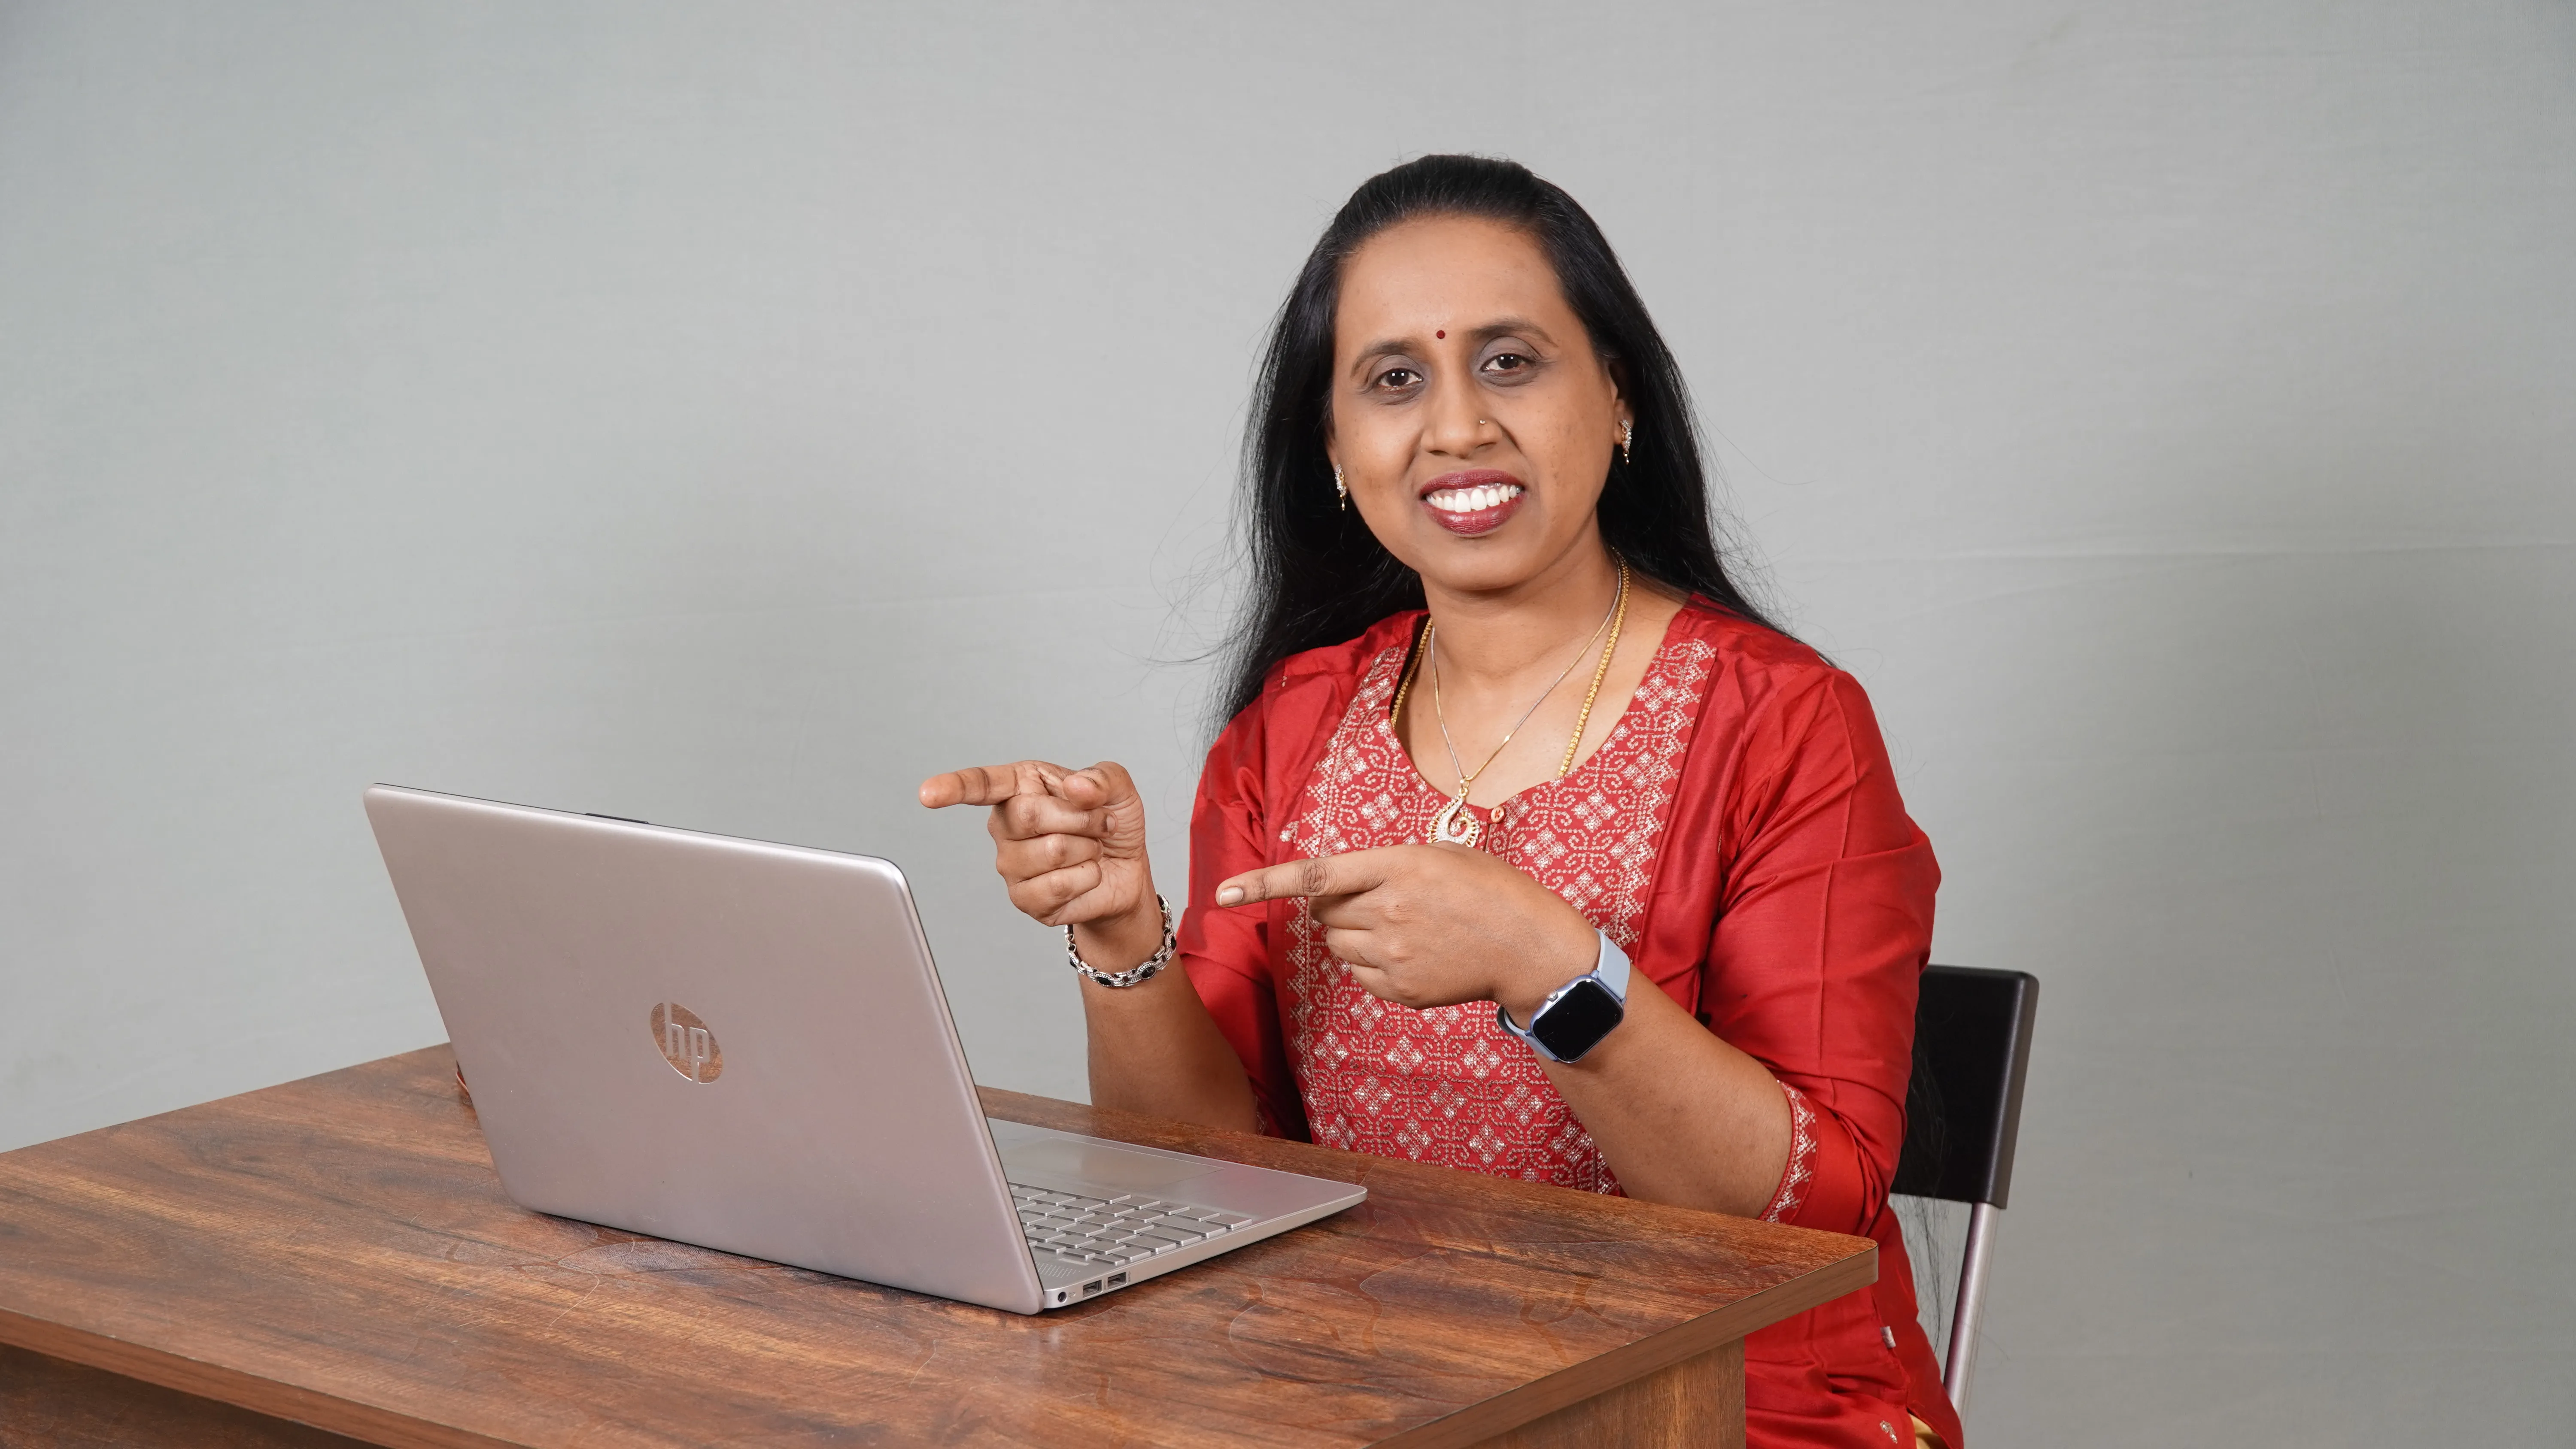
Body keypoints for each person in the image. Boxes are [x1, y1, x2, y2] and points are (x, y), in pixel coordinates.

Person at [921, 155, 1959, 1449]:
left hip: (1710, 1404)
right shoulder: (1290, 726)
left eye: (1512, 361)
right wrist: (1121, 935)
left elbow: (1813, 1210)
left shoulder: (1786, 724)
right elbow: (1201, 1167)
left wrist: (1548, 965)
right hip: (1364, 1385)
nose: (1456, 425)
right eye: (1395, 379)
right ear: (1338, 449)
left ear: (1620, 395)